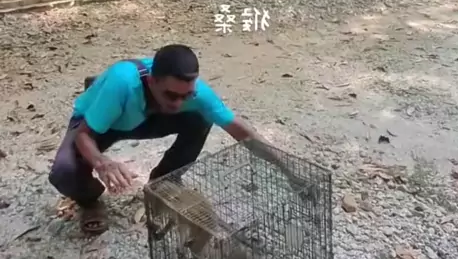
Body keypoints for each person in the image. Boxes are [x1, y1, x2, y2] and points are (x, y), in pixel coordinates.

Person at [49, 44, 304, 235]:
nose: (180, 102)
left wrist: (289, 170)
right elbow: (84, 135)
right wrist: (102, 162)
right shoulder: (122, 83)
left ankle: (163, 181)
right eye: (172, 95)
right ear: (152, 81)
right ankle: (89, 200)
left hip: (149, 116)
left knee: (201, 117)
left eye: (187, 95)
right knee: (64, 171)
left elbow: (243, 133)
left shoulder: (197, 94)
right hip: (106, 120)